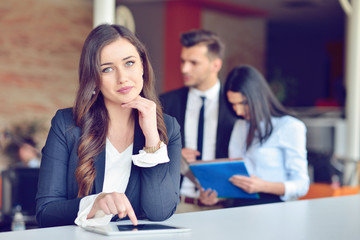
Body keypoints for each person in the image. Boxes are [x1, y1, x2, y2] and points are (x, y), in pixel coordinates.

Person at [36, 24, 182, 228]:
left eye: (129, 63)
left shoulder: (168, 127)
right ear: (94, 79)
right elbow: (45, 212)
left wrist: (151, 139)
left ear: (142, 66)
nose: (122, 78)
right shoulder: (67, 124)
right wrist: (94, 203)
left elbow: (159, 211)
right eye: (108, 69)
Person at [160, 29, 236, 210]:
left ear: (215, 65)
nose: (184, 69)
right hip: (178, 205)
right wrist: (171, 153)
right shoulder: (165, 103)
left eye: (193, 63)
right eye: (183, 61)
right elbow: (144, 150)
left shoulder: (235, 105)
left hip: (223, 206)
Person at [224, 65, 309, 206]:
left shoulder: (289, 126)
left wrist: (263, 186)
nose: (238, 111)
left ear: (258, 97)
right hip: (238, 206)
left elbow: (302, 185)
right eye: (233, 104)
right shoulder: (241, 125)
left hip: (272, 208)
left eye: (243, 103)